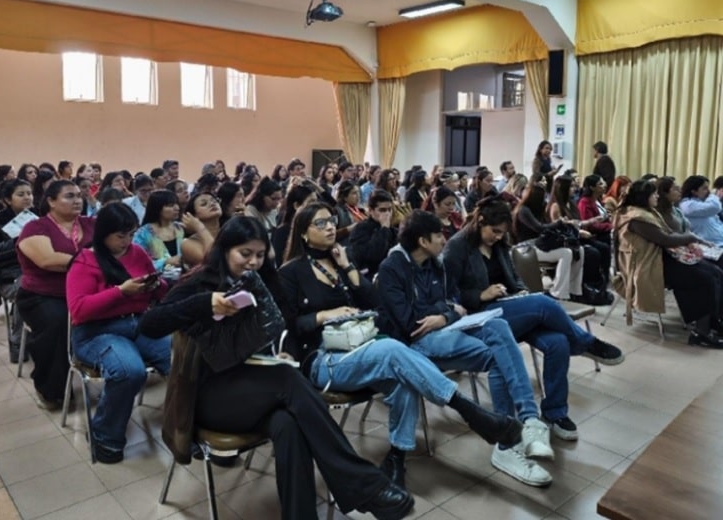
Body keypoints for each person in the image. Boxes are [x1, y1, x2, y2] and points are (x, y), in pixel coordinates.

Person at [140, 216, 414, 519]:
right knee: (286, 378)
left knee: (288, 422)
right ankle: (362, 484)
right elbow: (150, 324)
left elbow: (288, 326)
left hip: (255, 388)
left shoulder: (263, 280)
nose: (253, 262)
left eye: (260, 255)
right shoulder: (202, 281)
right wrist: (205, 303)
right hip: (210, 396)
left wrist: (284, 351)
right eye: (245, 253)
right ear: (225, 249)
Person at [279, 203, 524, 491]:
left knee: (402, 378)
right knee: (392, 350)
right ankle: (470, 411)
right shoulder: (291, 272)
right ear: (303, 233)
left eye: (331, 220)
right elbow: (288, 326)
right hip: (323, 357)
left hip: (362, 345)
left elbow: (375, 302)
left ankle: (396, 457)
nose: (330, 226)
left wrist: (347, 266)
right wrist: (323, 315)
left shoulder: (341, 260)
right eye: (320, 224)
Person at [377, 210, 554, 487]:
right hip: (414, 344)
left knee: (498, 326)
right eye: (438, 235)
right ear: (423, 241)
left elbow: (454, 303)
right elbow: (410, 323)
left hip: (444, 329)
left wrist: (443, 315)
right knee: (501, 356)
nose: (444, 239)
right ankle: (508, 442)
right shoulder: (392, 268)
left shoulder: (435, 263)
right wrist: (444, 313)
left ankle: (528, 422)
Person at [443, 198, 625, 440]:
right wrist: (479, 295)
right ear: (480, 222)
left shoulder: (499, 244)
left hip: (508, 308)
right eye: (494, 231)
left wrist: (520, 292)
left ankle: (555, 413)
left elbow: (514, 277)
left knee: (558, 343)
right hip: (482, 316)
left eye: (502, 232)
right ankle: (585, 343)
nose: (498, 236)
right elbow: (448, 295)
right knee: (543, 303)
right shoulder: (457, 247)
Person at [66, 203, 172, 463]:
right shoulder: (85, 261)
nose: (127, 242)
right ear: (103, 234)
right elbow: (79, 310)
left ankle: (186, 428)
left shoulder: (136, 253)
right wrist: (120, 292)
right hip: (97, 332)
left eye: (131, 234)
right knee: (129, 371)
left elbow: (160, 291)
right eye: (120, 236)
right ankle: (105, 434)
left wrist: (156, 285)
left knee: (182, 358)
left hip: (139, 323)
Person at [615, 180, 723, 348]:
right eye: (654, 194)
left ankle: (712, 321)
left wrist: (689, 241)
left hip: (660, 259)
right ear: (644, 197)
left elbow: (669, 233)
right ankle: (700, 333)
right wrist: (691, 238)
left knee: (715, 271)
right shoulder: (636, 218)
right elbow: (665, 239)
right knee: (704, 279)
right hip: (647, 266)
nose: (657, 196)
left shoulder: (648, 212)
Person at [16, 180, 95, 409]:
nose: (77, 200)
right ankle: (50, 389)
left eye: (79, 195)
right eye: (69, 196)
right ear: (51, 201)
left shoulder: (92, 224)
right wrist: (93, 261)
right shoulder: (36, 227)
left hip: (85, 291)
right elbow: (48, 260)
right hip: (44, 295)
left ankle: (113, 371)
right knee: (57, 322)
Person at [0, 178, 33, 362]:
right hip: (10, 273)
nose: (27, 198)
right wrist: (18, 241)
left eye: (29, 193)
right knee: (26, 288)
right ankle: (17, 340)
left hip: (40, 266)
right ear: (7, 200)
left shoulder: (39, 217)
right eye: (21, 194)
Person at [513, 184, 584, 301]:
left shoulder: (539, 209)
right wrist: (559, 223)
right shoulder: (523, 211)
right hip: (527, 247)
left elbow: (546, 227)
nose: (545, 199)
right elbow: (539, 228)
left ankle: (573, 290)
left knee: (579, 249)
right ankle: (558, 292)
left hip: (541, 243)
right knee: (566, 253)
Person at [349, 189, 398, 280]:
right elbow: (373, 256)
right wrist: (384, 229)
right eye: (382, 210)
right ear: (371, 211)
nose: (387, 214)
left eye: (389, 210)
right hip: (371, 277)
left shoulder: (393, 230)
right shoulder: (361, 229)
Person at [133, 190, 185, 275]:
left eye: (177, 204)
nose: (177, 208)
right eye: (170, 205)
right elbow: (137, 262)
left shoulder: (180, 228)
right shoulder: (143, 234)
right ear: (157, 208)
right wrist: (165, 262)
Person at [577, 175, 613, 285]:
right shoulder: (585, 202)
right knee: (604, 246)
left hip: (602, 230)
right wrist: (610, 226)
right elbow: (591, 225)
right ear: (592, 187)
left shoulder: (597, 200)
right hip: (591, 234)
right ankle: (602, 278)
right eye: (600, 184)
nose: (604, 185)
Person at [273, 183, 318, 264]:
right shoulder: (283, 232)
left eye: (316, 201)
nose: (316, 206)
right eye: (311, 202)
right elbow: (280, 263)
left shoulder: (315, 227)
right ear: (296, 205)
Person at [678, 175, 723, 246]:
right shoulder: (687, 205)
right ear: (694, 192)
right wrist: (712, 195)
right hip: (711, 246)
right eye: (705, 188)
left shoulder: (703, 203)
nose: (708, 191)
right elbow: (715, 207)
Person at [180, 191, 221, 268]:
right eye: (204, 204)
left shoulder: (229, 231)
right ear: (193, 216)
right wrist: (199, 227)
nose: (212, 204)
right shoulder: (187, 244)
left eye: (214, 201)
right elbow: (215, 262)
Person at [334, 179, 366, 244]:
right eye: (354, 193)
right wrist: (348, 229)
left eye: (358, 192)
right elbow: (332, 234)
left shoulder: (361, 209)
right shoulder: (337, 211)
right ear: (345, 197)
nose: (358, 196)